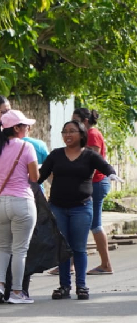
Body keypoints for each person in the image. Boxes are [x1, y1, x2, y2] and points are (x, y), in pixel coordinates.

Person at [38, 120, 120, 300]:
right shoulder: (56, 155)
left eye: (72, 131)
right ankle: (64, 286)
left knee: (79, 248)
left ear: (82, 134)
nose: (68, 135)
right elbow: (40, 176)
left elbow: (105, 167)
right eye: (65, 132)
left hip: (81, 208)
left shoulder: (89, 155)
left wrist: (111, 174)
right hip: (58, 207)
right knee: (63, 247)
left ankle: (81, 286)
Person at [0, 110, 40, 304]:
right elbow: (34, 178)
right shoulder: (26, 147)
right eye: (25, 125)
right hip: (22, 202)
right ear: (16, 128)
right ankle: (16, 292)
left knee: (2, 248)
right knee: (20, 250)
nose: (28, 128)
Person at [74, 108, 115, 275]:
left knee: (94, 224)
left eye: (75, 120)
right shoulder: (88, 134)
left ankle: (106, 264)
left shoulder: (92, 134)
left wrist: (82, 183)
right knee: (81, 222)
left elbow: (92, 162)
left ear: (84, 121)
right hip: (94, 183)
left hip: (96, 183)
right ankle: (71, 263)